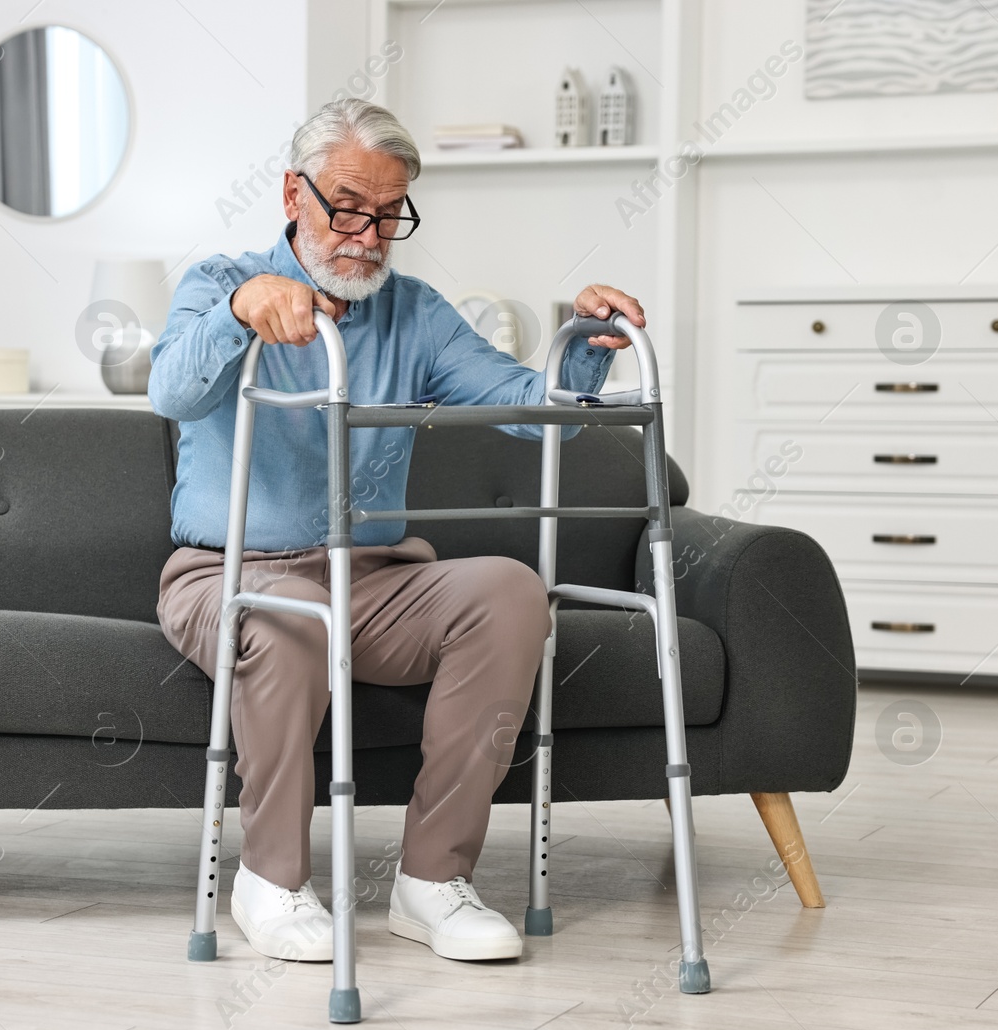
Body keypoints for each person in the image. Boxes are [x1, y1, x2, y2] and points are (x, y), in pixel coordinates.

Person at [148, 99, 644, 963]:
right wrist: (240, 308)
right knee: (294, 621)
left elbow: (532, 410)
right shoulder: (219, 281)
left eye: (388, 216)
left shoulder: (414, 313)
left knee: (508, 590)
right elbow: (172, 396)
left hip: (373, 577)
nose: (368, 236)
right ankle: (267, 879)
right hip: (229, 573)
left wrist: (586, 346)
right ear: (292, 195)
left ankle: (431, 882)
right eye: (347, 207)